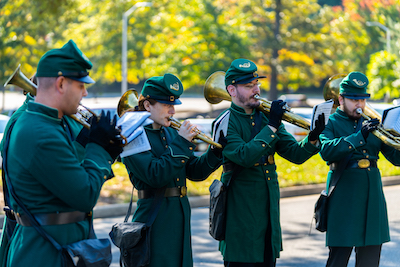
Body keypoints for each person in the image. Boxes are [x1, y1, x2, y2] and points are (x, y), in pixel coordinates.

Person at [1, 39, 123, 267]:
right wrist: (99, 150)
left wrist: (99, 146)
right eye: (81, 86)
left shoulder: (48, 124)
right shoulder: (40, 132)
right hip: (45, 254)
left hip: (59, 248)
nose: (85, 93)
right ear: (61, 83)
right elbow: (85, 195)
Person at [214, 58, 325, 266]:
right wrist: (273, 125)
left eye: (257, 84)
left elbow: (295, 154)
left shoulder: (266, 118)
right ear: (232, 90)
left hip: (268, 213)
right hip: (240, 212)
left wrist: (312, 137)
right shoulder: (225, 122)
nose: (256, 89)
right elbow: (244, 156)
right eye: (249, 86)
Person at [121, 73, 224, 267]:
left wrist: (215, 153)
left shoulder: (169, 131)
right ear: (147, 105)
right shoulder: (132, 136)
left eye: (174, 104)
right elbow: (155, 175)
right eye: (167, 105)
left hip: (179, 214)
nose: (173, 111)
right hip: (154, 218)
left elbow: (193, 171)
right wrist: (182, 143)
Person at [319, 71, 400, 267]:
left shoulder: (373, 124)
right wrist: (358, 137)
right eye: (354, 99)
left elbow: (396, 159)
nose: (360, 105)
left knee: (370, 260)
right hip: (343, 198)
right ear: (341, 98)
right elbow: (326, 150)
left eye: (363, 99)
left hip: (372, 199)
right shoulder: (330, 121)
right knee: (338, 260)